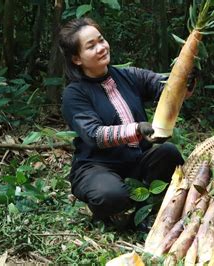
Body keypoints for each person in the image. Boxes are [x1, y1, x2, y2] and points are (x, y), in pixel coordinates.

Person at [58, 17, 195, 229]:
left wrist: (185, 80)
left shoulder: (129, 75)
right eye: (91, 46)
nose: (101, 47)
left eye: (101, 40)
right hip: (97, 167)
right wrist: (137, 129)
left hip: (136, 160)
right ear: (77, 58)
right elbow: (95, 135)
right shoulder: (74, 94)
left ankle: (140, 203)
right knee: (110, 195)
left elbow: (166, 87)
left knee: (169, 153)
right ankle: (118, 206)